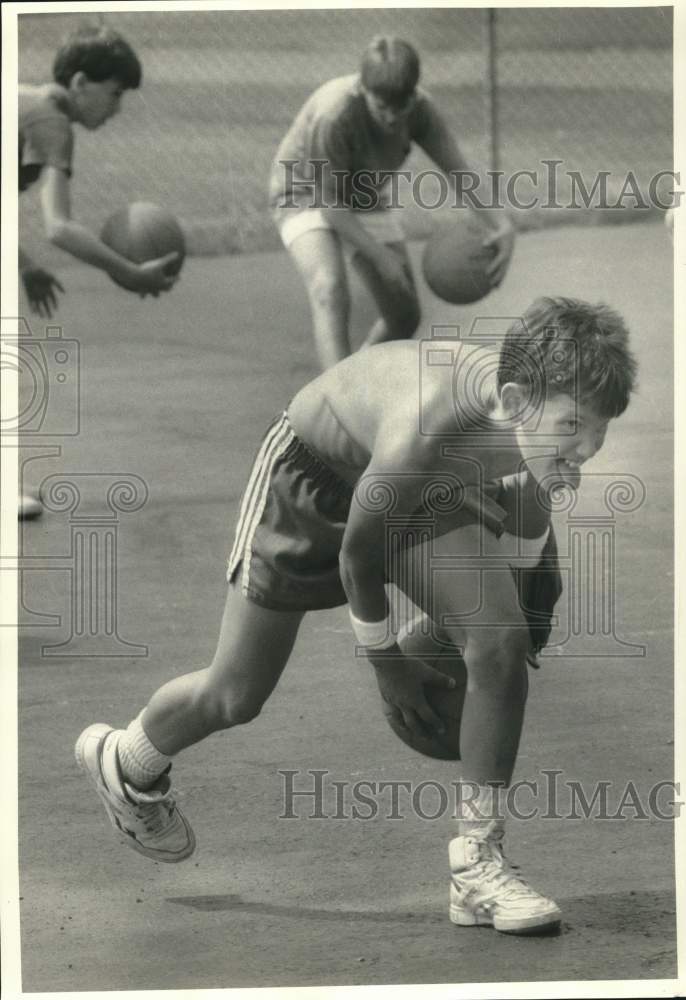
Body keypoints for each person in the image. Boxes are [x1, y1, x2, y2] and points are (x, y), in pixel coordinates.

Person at [76, 297, 636, 935]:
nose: (588, 447)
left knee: (501, 639)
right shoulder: (429, 424)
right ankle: (127, 760)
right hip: (312, 480)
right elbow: (357, 559)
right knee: (236, 694)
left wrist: (499, 634)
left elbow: (527, 540)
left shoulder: (539, 434)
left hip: (422, 487)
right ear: (512, 401)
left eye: (600, 428)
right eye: (574, 426)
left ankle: (477, 869)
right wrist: (389, 665)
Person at [268, 35, 515, 371]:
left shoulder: (421, 111)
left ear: (413, 94)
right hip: (304, 190)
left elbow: (458, 171)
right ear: (362, 90)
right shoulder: (334, 113)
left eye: (400, 108)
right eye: (380, 107)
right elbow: (329, 205)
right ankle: (334, 401)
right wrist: (379, 255)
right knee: (328, 286)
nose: (390, 118)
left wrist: (502, 225)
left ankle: (353, 377)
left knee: (404, 314)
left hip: (362, 195)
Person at [18, 23, 180, 519]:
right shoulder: (52, 122)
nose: (116, 108)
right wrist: (130, 274)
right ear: (81, 83)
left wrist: (23, 266)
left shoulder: (28, 103)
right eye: (113, 94)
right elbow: (60, 227)